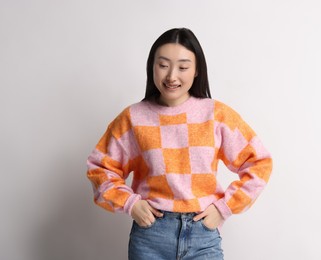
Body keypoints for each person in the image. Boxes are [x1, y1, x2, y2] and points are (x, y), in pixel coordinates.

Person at [86, 27, 273, 260]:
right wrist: (131, 204)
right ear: (151, 66)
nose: (172, 76)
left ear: (196, 71)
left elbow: (259, 163)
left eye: (183, 67)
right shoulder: (133, 118)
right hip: (151, 236)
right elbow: (99, 168)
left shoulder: (217, 115)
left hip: (203, 235)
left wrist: (223, 208)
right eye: (163, 65)